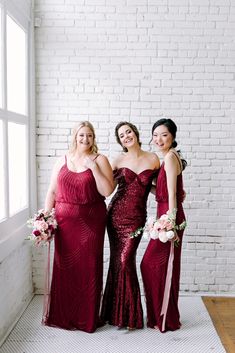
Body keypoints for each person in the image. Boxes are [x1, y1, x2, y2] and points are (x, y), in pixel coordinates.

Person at [42, 121, 114, 333]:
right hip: (64, 225)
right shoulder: (62, 160)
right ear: (75, 136)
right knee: (65, 268)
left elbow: (107, 191)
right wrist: (46, 218)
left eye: (89, 135)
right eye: (82, 135)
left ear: (94, 138)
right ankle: (64, 316)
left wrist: (93, 168)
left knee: (88, 269)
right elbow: (52, 192)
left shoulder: (100, 159)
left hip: (91, 223)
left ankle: (86, 318)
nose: (85, 139)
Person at [101, 121, 160, 330]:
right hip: (115, 215)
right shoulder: (117, 160)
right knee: (118, 261)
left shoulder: (153, 159)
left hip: (136, 218)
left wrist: (173, 195)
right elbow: (108, 189)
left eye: (128, 132)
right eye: (122, 135)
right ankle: (116, 314)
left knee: (127, 260)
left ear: (135, 133)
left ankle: (130, 315)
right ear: (120, 141)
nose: (126, 136)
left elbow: (154, 187)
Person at [141, 118, 187, 333]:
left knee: (154, 264)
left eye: (164, 135)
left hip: (169, 219)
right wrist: (141, 186)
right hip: (166, 215)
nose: (158, 139)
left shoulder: (169, 157)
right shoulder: (168, 158)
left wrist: (171, 222)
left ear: (173, 137)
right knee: (158, 266)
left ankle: (165, 318)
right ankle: (161, 315)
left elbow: (171, 194)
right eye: (155, 134)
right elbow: (163, 192)